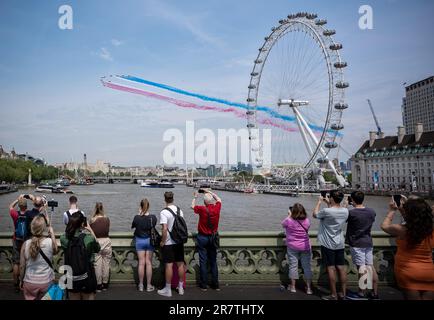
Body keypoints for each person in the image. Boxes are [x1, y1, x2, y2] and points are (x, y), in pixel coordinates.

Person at [381, 197, 434, 300]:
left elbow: (384, 226)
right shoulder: (431, 230)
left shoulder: (401, 230)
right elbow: (418, 219)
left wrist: (392, 210)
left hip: (407, 270)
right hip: (429, 272)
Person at [313, 190, 349, 300]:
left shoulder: (326, 211)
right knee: (341, 268)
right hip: (340, 243)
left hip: (328, 243)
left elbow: (315, 214)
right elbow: (333, 213)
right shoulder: (346, 211)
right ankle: (343, 293)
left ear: (332, 198)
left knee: (331, 268)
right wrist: (328, 203)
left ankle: (333, 294)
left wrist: (319, 202)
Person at [345, 191, 379, 300]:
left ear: (352, 200)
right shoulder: (371, 212)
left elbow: (342, 217)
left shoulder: (351, 213)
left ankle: (361, 293)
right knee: (370, 266)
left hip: (356, 243)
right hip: (368, 242)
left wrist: (346, 205)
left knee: (362, 268)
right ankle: (374, 293)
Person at [60, 212, 100, 300]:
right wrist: (90, 229)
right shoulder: (89, 238)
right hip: (87, 275)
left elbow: (67, 236)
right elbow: (98, 248)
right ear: (83, 224)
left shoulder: (63, 239)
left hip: (70, 277)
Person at [19, 215, 58, 300]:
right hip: (46, 281)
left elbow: (22, 266)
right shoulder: (49, 242)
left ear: (32, 228)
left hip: (29, 281)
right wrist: (52, 232)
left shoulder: (26, 244)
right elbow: (56, 251)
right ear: (44, 228)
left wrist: (21, 280)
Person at [191, 189, 222, 291]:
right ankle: (215, 285)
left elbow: (192, 206)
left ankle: (204, 285)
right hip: (213, 237)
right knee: (213, 261)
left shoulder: (202, 209)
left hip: (202, 237)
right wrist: (209, 191)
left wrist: (195, 197)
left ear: (204, 202)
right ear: (212, 200)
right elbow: (219, 199)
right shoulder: (217, 208)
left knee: (203, 261)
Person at [157, 191, 186, 298]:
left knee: (169, 265)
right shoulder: (180, 210)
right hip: (179, 241)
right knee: (180, 265)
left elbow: (164, 229)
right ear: (173, 198)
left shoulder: (164, 212)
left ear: (165, 199)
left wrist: (163, 241)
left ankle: (168, 289)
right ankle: (181, 287)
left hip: (169, 242)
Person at [281, 203, 313, 295]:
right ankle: (309, 288)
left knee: (293, 266)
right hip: (305, 246)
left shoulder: (289, 220)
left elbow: (283, 224)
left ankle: (293, 287)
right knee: (307, 267)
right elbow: (307, 228)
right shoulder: (307, 221)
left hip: (292, 246)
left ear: (292, 211)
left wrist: (289, 215)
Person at [131, 198, 157, 292]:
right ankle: (149, 285)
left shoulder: (136, 217)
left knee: (141, 263)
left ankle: (141, 285)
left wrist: (139, 214)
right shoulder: (153, 217)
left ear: (140, 206)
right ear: (148, 206)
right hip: (150, 241)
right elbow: (153, 225)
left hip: (139, 241)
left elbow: (133, 226)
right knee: (148, 263)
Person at [90, 202, 112, 292]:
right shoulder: (107, 219)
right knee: (106, 264)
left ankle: (99, 285)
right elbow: (107, 229)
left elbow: (91, 232)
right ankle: (105, 284)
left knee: (97, 265)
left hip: (97, 242)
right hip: (106, 241)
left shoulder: (92, 220)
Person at [8, 195, 28, 292]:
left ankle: (15, 284)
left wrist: (17, 199)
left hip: (16, 239)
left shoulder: (15, 214)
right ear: (26, 206)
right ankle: (24, 283)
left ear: (19, 206)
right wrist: (32, 198)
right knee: (25, 263)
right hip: (26, 240)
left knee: (16, 263)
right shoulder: (29, 214)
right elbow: (39, 208)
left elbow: (10, 206)